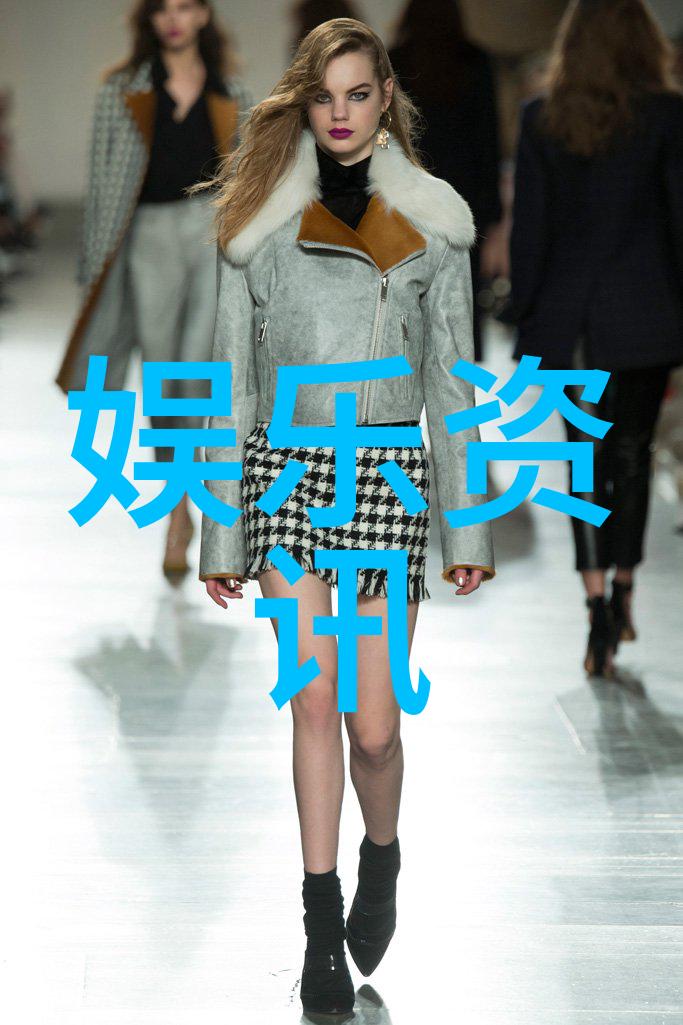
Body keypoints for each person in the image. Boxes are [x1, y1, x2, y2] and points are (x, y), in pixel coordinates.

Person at [197, 17, 495, 1015]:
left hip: (384, 478)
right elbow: (231, 385)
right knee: (312, 699)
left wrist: (466, 527)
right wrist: (222, 530)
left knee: (374, 728)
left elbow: (451, 381)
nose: (339, 112)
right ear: (303, 101)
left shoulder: (433, 226)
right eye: (324, 95)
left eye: (358, 93)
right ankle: (318, 922)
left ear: (384, 100)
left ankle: (382, 854)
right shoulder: (256, 227)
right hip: (286, 476)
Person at [508, 0, 683, 677]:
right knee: (632, 456)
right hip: (645, 312)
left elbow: (530, 229)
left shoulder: (542, 118)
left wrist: (526, 312)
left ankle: (593, 608)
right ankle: (623, 589)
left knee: (581, 461)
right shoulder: (667, 116)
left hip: (568, 317)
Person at [54, 0, 252, 579]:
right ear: (149, 18)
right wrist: (92, 275)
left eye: (185, 6)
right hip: (145, 237)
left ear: (204, 15)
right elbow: (102, 187)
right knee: (164, 379)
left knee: (200, 374)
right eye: (163, 7)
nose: (174, 18)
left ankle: (191, 511)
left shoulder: (232, 93)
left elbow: (247, 182)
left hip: (209, 235)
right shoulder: (120, 92)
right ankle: (178, 510)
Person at [387, 0, 503, 362]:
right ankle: (455, 384)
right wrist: (494, 218)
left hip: (409, 199)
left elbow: (384, 136)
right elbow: (489, 143)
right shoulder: (475, 62)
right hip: (465, 202)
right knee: (460, 303)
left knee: (407, 300)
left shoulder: (396, 62)